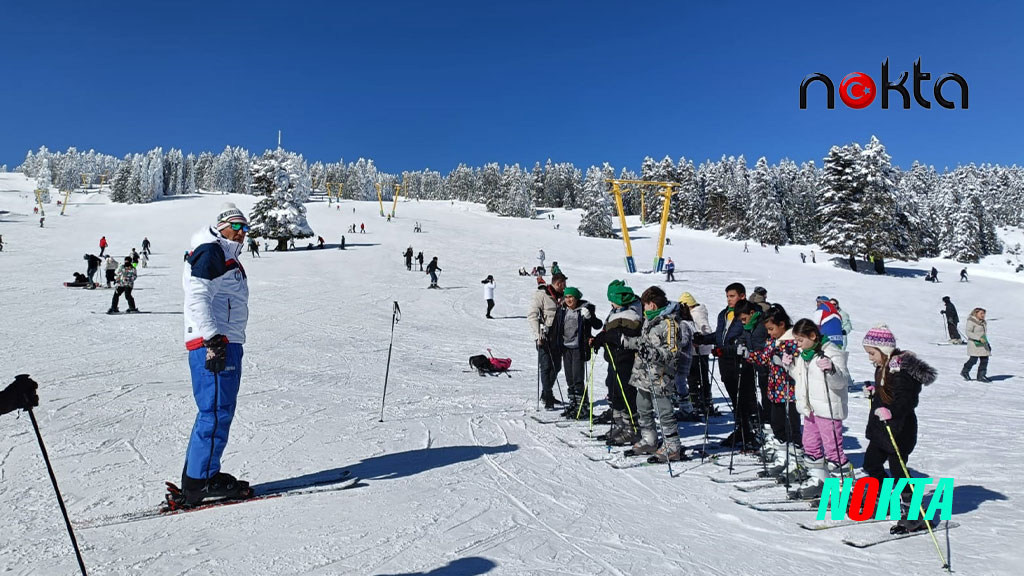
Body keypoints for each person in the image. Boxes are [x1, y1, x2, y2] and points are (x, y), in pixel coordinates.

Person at [179, 203, 253, 506]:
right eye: (236, 227)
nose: (241, 233)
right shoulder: (212, 250)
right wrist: (213, 339)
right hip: (215, 341)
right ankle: (201, 482)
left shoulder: (223, 253)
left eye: (245, 228)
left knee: (217, 410)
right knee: (215, 411)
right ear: (222, 225)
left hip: (225, 340)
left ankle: (199, 476)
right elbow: (197, 295)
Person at [861, 325, 937, 534]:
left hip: (900, 430)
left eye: (872, 353)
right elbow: (889, 392)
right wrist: (875, 392)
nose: (870, 358)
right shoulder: (884, 367)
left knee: (898, 471)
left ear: (884, 351)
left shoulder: (902, 371)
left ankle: (915, 515)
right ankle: (888, 499)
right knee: (871, 463)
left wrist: (891, 411)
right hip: (882, 430)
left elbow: (907, 400)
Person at [785, 319, 851, 500]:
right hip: (810, 408)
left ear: (813, 336)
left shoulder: (831, 352)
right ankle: (819, 480)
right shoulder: (804, 354)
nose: (797, 344)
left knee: (833, 449)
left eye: (800, 340)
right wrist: (789, 365)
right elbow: (800, 377)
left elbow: (842, 381)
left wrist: (831, 370)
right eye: (796, 340)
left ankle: (843, 488)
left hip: (828, 409)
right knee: (810, 445)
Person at [621, 286, 687, 462]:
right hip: (643, 373)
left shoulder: (670, 324)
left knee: (664, 410)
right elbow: (644, 343)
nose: (643, 308)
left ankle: (672, 446)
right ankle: (649, 439)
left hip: (660, 375)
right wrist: (627, 342)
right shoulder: (649, 320)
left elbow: (673, 352)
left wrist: (653, 353)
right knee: (642, 406)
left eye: (645, 305)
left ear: (653, 305)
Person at [745, 305, 803, 482]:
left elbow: (799, 366)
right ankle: (784, 457)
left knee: (792, 426)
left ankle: (797, 461)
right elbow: (764, 357)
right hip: (775, 391)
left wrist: (786, 363)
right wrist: (749, 355)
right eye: (768, 330)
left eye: (772, 329)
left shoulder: (793, 341)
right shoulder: (773, 341)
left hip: (790, 392)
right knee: (777, 425)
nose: (770, 333)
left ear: (782, 324)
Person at [591, 281, 643, 445]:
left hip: (624, 359)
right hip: (614, 358)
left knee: (625, 392)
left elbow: (623, 334)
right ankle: (619, 424)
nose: (611, 304)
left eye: (612, 300)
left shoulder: (631, 313)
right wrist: (600, 339)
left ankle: (632, 428)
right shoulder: (617, 311)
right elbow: (608, 332)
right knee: (613, 388)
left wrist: (608, 337)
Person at [715, 283, 758, 449]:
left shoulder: (748, 312)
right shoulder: (724, 314)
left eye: (732, 296)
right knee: (735, 398)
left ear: (742, 295)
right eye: (727, 296)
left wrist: (725, 348)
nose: (729, 299)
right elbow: (721, 336)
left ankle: (754, 432)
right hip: (725, 360)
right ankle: (742, 429)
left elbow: (744, 338)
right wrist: (703, 339)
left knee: (747, 397)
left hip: (741, 360)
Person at [551, 287, 603, 419]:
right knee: (569, 378)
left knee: (578, 377)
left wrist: (589, 317)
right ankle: (574, 404)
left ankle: (582, 407)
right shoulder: (562, 310)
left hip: (579, 348)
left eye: (571, 297)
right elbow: (556, 327)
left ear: (576, 298)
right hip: (566, 347)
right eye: (566, 297)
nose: (568, 300)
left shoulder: (585, 309)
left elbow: (598, 325)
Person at [527, 272, 566, 409]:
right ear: (558, 283)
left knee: (557, 366)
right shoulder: (542, 294)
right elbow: (532, 315)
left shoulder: (563, 298)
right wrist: (538, 335)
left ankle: (546, 392)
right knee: (546, 366)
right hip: (545, 336)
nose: (564, 287)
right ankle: (548, 395)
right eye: (563, 285)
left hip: (558, 337)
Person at [678, 292, 716, 417]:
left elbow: (705, 329)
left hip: (698, 350)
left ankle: (699, 402)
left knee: (696, 376)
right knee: (697, 376)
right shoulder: (696, 312)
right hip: (698, 350)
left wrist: (698, 339)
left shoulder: (697, 313)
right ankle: (702, 401)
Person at [961, 308, 991, 382]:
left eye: (984, 314)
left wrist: (987, 343)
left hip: (983, 344)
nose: (983, 315)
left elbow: (983, 334)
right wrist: (978, 338)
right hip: (974, 344)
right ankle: (965, 372)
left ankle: (981, 375)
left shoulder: (983, 322)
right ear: (976, 313)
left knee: (984, 360)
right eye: (981, 313)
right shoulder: (971, 321)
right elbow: (968, 332)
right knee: (973, 360)